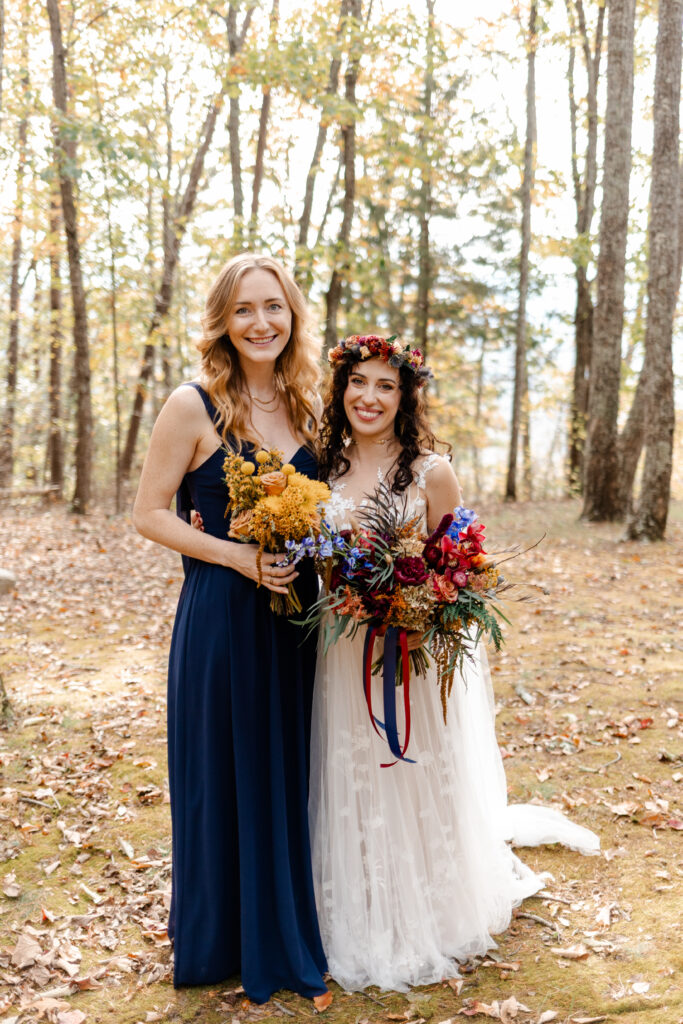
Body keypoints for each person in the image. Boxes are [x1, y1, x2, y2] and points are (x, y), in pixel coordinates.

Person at [309, 335, 599, 993]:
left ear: (404, 397)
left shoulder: (430, 472)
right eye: (358, 382)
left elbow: (462, 570)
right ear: (341, 389)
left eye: (385, 386)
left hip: (407, 654)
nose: (369, 397)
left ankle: (429, 910)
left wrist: (418, 617)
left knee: (410, 769)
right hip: (339, 648)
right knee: (347, 766)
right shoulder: (322, 469)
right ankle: (351, 902)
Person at [132, 253, 332, 1010]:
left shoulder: (310, 406)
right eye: (244, 309)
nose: (260, 322)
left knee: (288, 770)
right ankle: (220, 940)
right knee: (225, 771)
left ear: (292, 316)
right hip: (221, 616)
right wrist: (235, 556)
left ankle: (283, 926)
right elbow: (149, 514)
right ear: (222, 321)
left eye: (273, 307)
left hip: (300, 620)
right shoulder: (191, 406)